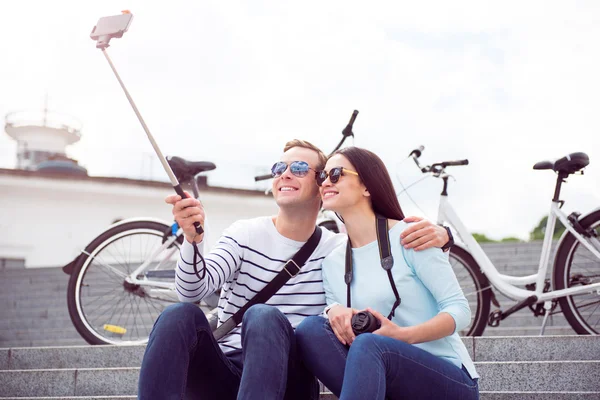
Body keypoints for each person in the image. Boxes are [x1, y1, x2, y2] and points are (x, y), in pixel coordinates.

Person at [137, 140, 452, 400]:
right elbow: (192, 291)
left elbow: (395, 259)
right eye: (279, 168)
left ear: (321, 185)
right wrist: (193, 240)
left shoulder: (339, 250)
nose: (285, 174)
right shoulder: (244, 233)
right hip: (225, 371)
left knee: (262, 315)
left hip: (290, 378)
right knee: (178, 315)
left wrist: (443, 237)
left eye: (300, 169)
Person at [296, 146, 479, 400]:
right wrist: (333, 310)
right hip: (382, 378)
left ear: (367, 187)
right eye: (322, 177)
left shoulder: (411, 236)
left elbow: (460, 310)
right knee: (311, 330)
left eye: (336, 174)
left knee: (370, 344)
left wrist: (403, 336)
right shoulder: (333, 263)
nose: (326, 182)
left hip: (447, 377)